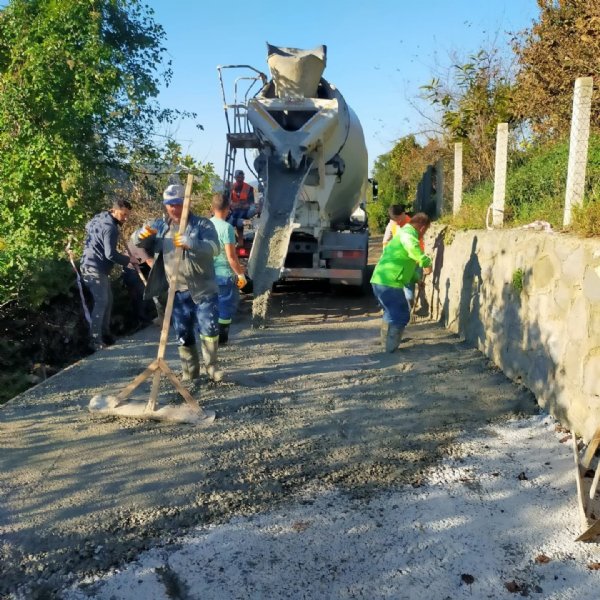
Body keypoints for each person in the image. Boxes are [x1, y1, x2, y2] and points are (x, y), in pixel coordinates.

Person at [132, 183, 223, 382]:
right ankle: (190, 372)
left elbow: (215, 248)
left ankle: (212, 367)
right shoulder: (160, 226)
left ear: (186, 203)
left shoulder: (202, 225)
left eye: (177, 203)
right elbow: (137, 241)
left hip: (203, 289)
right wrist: (139, 236)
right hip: (176, 291)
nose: (173, 207)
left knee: (209, 329)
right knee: (182, 333)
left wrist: (192, 243)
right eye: (169, 204)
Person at [371, 212, 433, 353]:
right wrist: (426, 262)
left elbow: (405, 264)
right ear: (423, 228)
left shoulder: (402, 233)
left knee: (390, 312)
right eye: (426, 230)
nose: (424, 233)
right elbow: (413, 250)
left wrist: (417, 279)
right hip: (389, 282)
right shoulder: (408, 235)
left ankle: (386, 344)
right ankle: (391, 349)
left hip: (380, 279)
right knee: (401, 314)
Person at [80, 198, 132, 351]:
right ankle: (95, 341)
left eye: (128, 215)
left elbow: (87, 226)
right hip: (94, 268)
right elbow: (111, 254)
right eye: (123, 215)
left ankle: (106, 335)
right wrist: (129, 260)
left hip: (89, 265)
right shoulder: (111, 228)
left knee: (108, 300)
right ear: (114, 210)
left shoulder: (99, 218)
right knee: (102, 301)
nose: (126, 218)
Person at [209, 193, 247, 345]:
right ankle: (222, 339)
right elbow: (231, 257)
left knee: (210, 307)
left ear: (212, 208)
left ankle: (209, 337)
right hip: (224, 276)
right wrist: (241, 274)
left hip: (208, 275)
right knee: (225, 308)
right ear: (228, 209)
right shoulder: (227, 228)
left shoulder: (205, 225)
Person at [227, 169, 256, 247]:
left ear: (244, 178)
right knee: (228, 221)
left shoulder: (249, 188)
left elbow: (250, 203)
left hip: (245, 211)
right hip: (234, 212)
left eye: (241, 177)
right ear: (235, 178)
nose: (239, 179)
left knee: (240, 219)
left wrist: (239, 205)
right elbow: (227, 202)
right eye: (238, 177)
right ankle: (235, 241)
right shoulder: (231, 188)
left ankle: (240, 242)